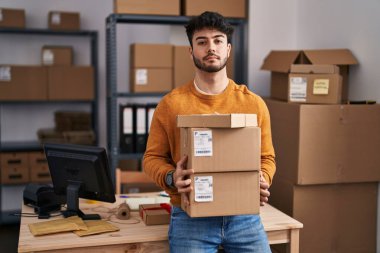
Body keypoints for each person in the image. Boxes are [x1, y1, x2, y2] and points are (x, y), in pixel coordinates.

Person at [143, 11, 275, 253]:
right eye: (201, 42)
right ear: (191, 51)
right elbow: (151, 159)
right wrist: (173, 177)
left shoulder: (253, 104)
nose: (210, 47)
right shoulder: (171, 104)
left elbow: (267, 158)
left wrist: (262, 178)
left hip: (243, 217)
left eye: (217, 40)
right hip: (190, 217)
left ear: (228, 49)